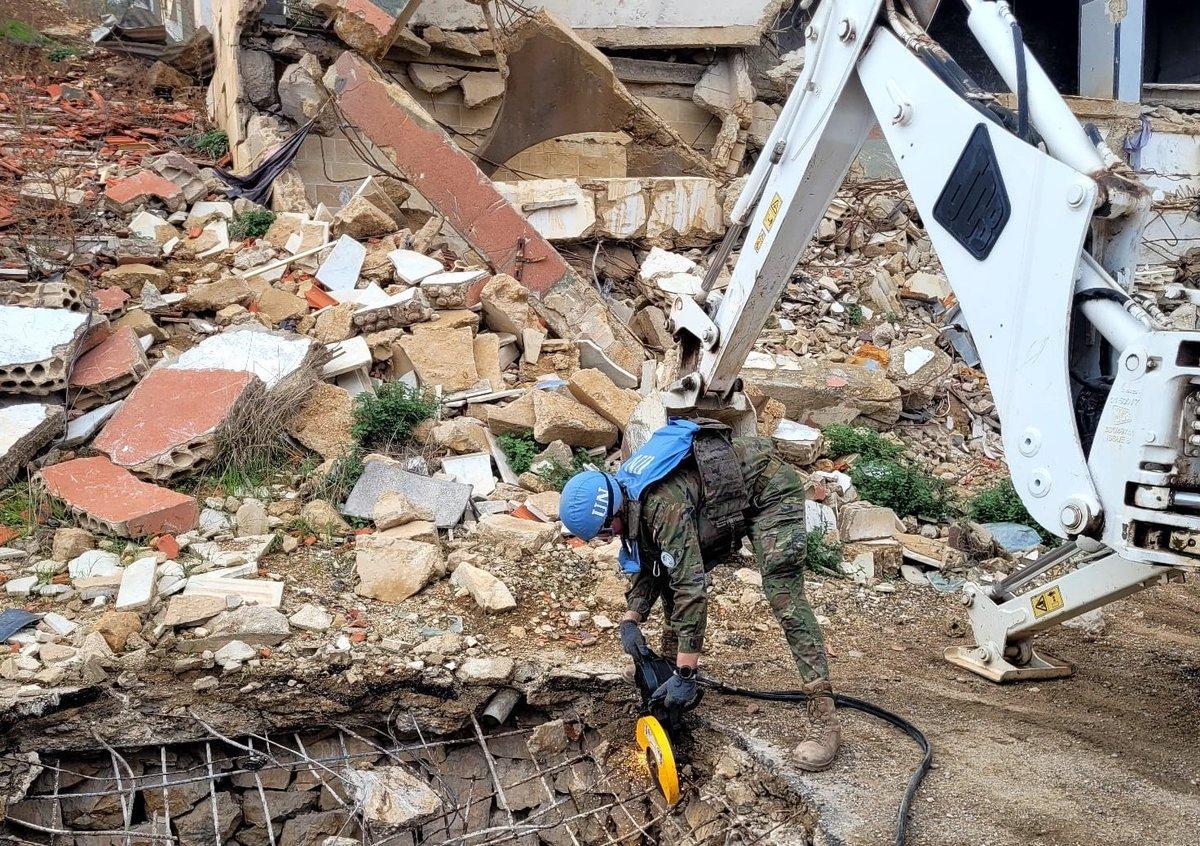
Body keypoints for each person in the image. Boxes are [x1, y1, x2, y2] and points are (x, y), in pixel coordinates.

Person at [560, 419, 840, 771]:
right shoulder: (628, 497)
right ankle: (669, 686)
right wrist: (632, 617)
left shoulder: (662, 505)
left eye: (604, 532)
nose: (606, 539)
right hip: (720, 502)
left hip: (768, 491)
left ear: (612, 511)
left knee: (783, 594)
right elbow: (650, 561)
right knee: (669, 573)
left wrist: (688, 674)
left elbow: (691, 588)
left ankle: (824, 717)